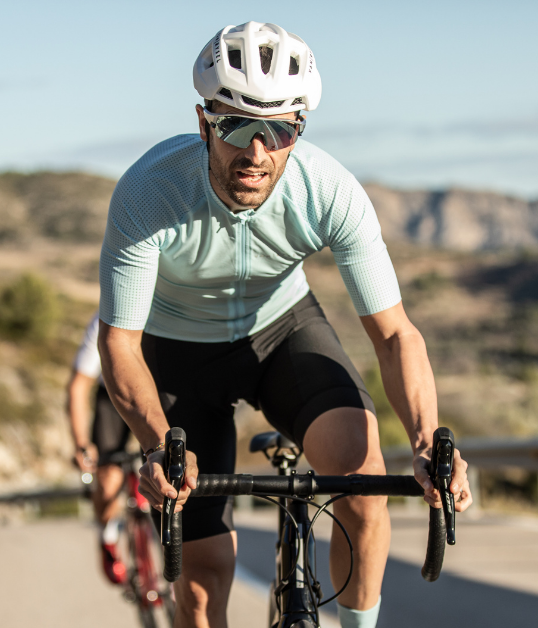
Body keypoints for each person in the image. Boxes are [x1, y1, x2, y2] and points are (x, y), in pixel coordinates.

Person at [97, 21, 472, 628]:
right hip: (178, 355)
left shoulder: (329, 190)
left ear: (298, 131)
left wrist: (430, 441)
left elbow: (396, 333)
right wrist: (155, 441)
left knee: (364, 490)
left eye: (276, 130)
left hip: (281, 332)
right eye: (236, 125)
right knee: (206, 571)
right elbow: (119, 343)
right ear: (203, 123)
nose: (256, 151)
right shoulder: (149, 194)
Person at [68, 313, 132, 585]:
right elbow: (79, 387)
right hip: (113, 395)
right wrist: (82, 443)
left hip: (160, 388)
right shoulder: (105, 320)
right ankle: (107, 538)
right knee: (107, 481)